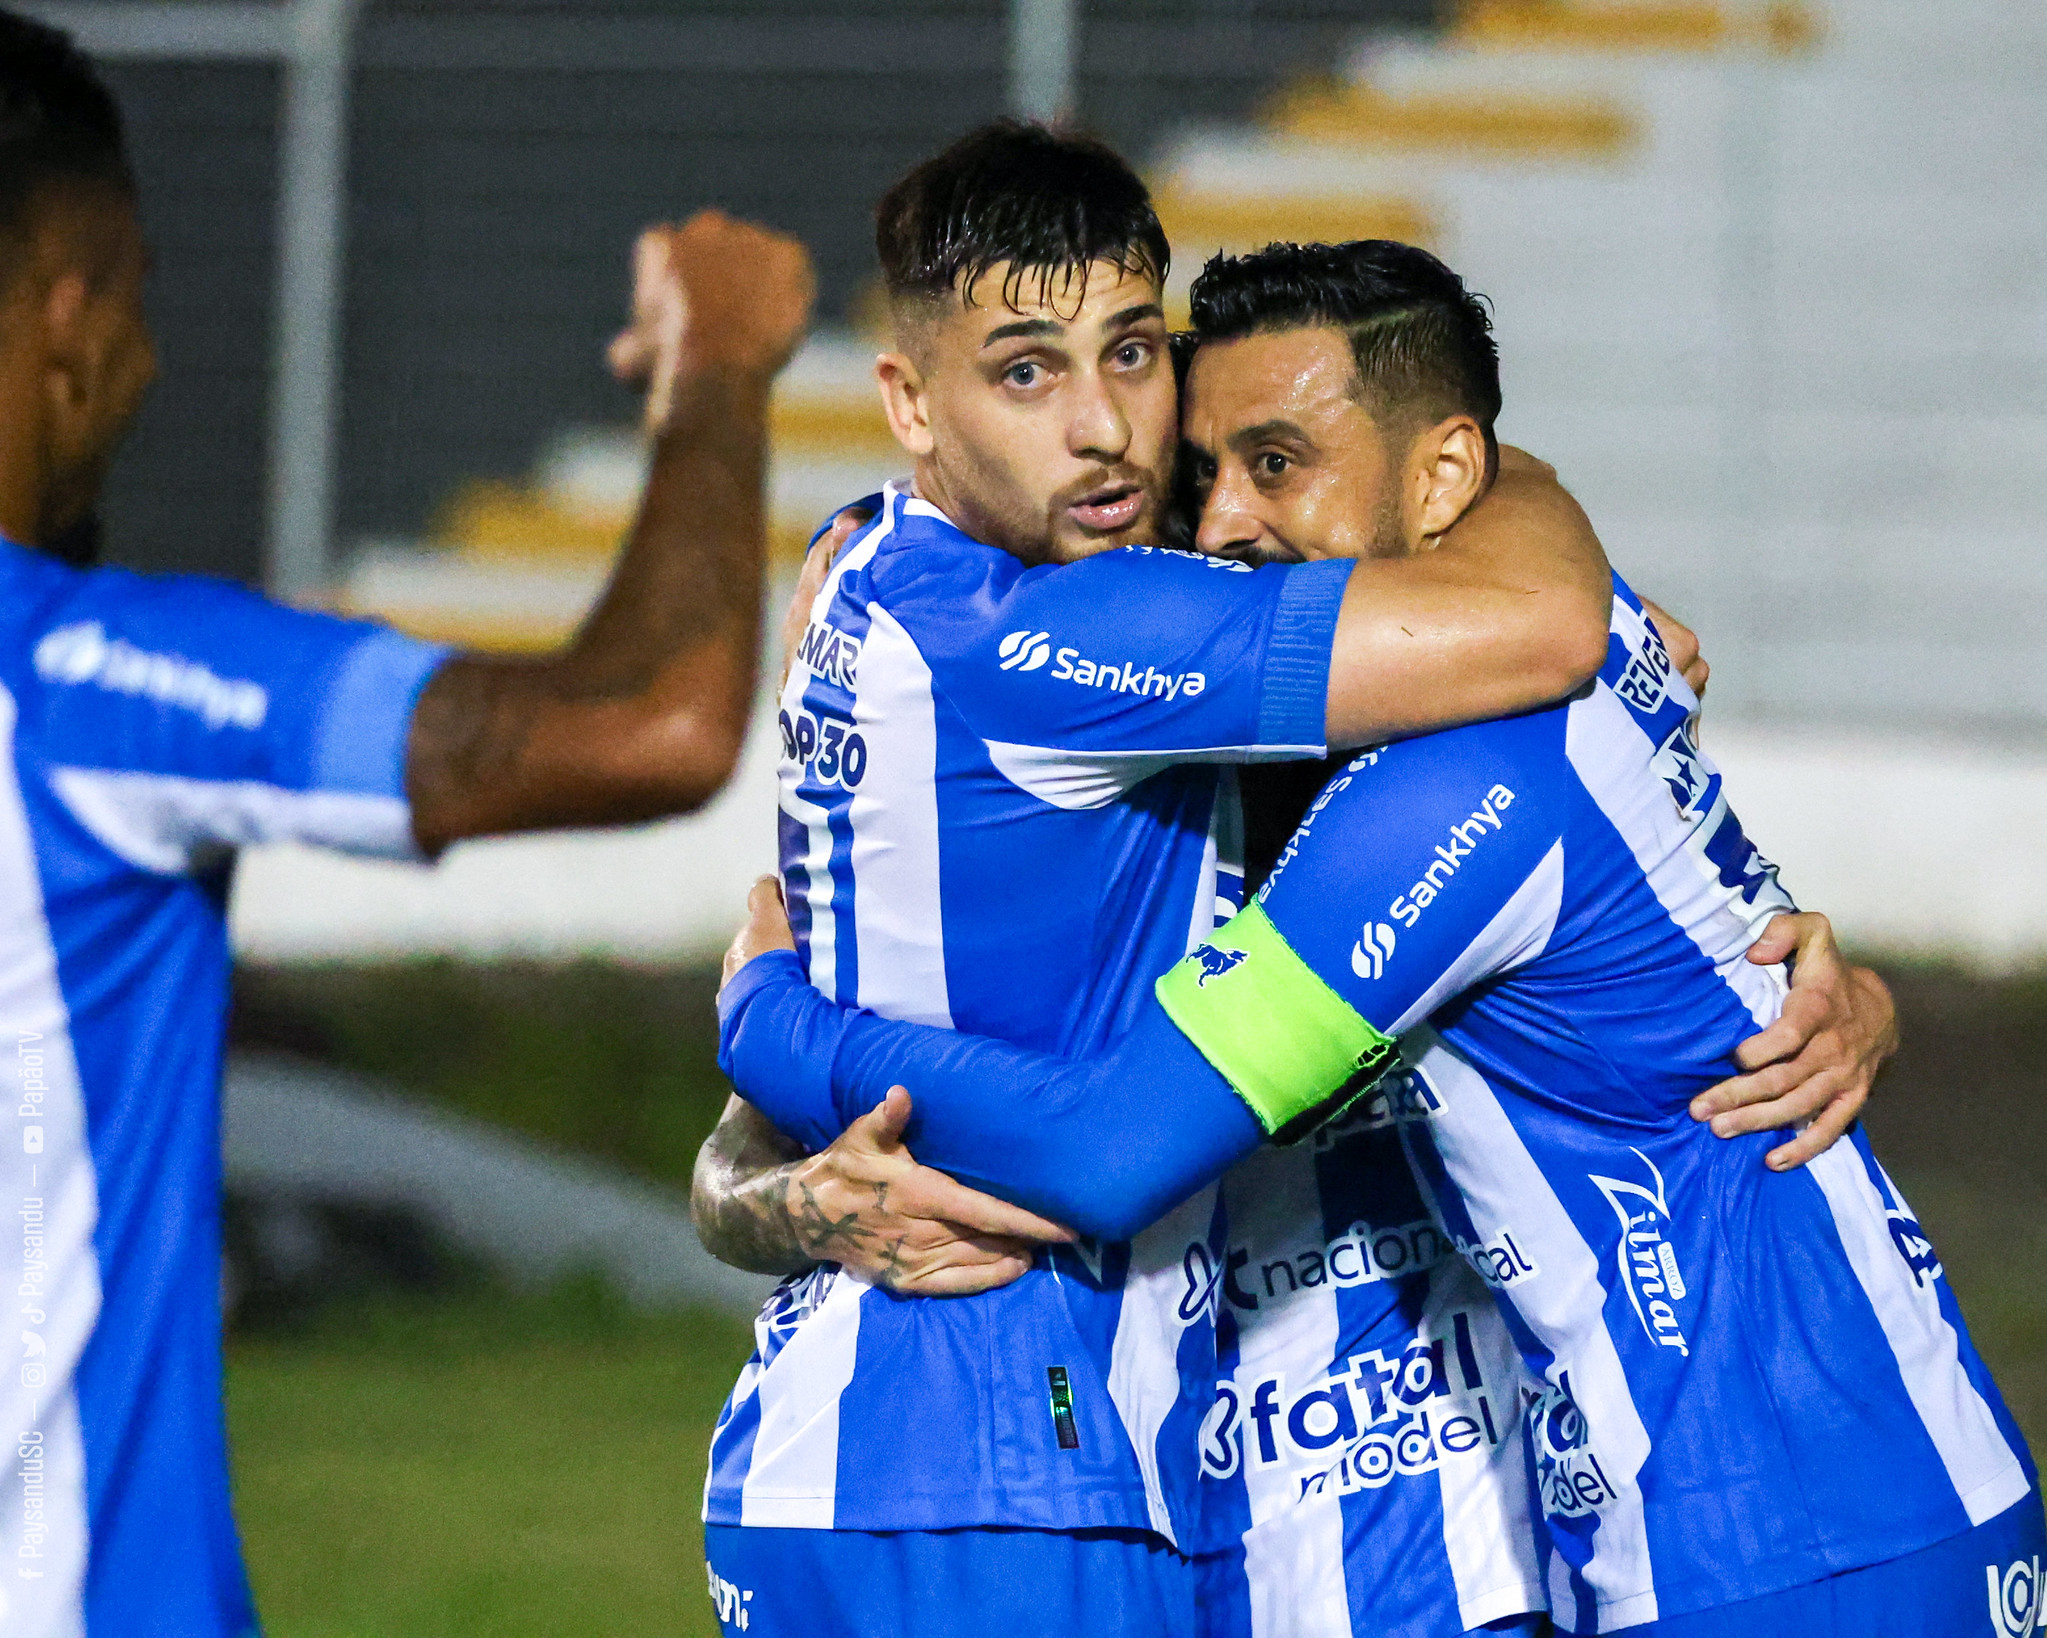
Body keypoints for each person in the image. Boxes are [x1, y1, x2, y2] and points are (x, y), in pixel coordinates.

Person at [718, 239, 2034, 1638]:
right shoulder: (1120, 747)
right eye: (1199, 474)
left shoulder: (1463, 759)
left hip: (1710, 1529)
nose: (1222, 522)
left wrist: (761, 1008)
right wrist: (762, 1193)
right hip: (1368, 1524)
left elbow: (1103, 1145)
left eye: (1276, 464)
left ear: (1451, 484)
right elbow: (766, 1148)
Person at [0, 14, 813, 1634]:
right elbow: (646, 721)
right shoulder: (80, 683)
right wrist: (717, 366)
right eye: (147, 301)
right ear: (76, 314)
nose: (152, 370)